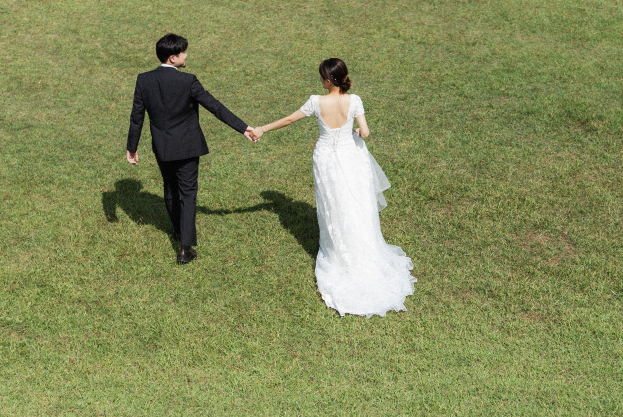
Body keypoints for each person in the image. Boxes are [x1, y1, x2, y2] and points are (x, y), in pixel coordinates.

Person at [252, 58, 415, 316]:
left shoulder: (316, 102)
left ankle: (341, 253)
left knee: (333, 204)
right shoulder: (355, 100)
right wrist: (359, 134)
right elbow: (365, 131)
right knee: (356, 204)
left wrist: (262, 128)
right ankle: (363, 249)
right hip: (352, 158)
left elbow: (288, 120)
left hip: (326, 159)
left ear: (328, 80)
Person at [126, 34, 258, 264]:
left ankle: (177, 231)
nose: (187, 55)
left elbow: (136, 117)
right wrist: (243, 128)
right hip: (187, 147)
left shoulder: (143, 80)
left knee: (169, 188)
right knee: (188, 193)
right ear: (173, 57)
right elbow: (215, 106)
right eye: (183, 52)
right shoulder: (188, 81)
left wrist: (132, 147)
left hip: (163, 147)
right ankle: (185, 248)